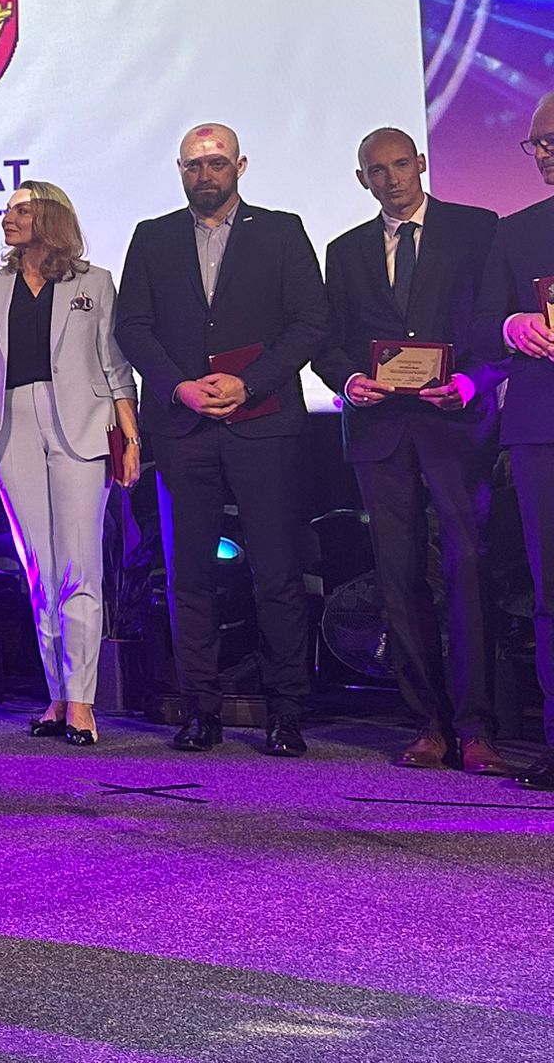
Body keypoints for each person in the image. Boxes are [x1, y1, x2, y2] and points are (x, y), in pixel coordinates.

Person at [115, 123, 330, 757]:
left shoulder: (282, 231)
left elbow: (311, 323)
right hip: (182, 428)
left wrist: (250, 381)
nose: (204, 174)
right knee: (188, 574)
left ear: (240, 165)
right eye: (192, 165)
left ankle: (286, 712)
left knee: (277, 573)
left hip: (263, 423)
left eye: (215, 163)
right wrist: (178, 387)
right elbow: (133, 327)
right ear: (180, 171)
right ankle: (200, 709)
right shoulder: (152, 236)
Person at [313, 130, 502, 772]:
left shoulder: (477, 229)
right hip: (379, 429)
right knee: (397, 576)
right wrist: (347, 380)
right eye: (378, 170)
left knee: (467, 566)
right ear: (361, 178)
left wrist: (473, 380)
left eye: (401, 165)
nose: (392, 179)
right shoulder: (345, 251)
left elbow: (495, 323)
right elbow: (326, 339)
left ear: (420, 164)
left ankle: (477, 727)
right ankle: (428, 725)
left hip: (455, 423)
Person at [0, 182, 139, 747]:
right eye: (7, 209)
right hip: (11, 425)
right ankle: (58, 695)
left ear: (50, 216)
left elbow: (115, 366)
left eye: (21, 209)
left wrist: (131, 435)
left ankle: (83, 701)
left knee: (78, 564)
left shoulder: (94, 282)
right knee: (40, 570)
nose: (8, 218)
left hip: (83, 424)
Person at [474, 90, 554, 790]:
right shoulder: (516, 231)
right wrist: (510, 326)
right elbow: (478, 327)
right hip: (540, 428)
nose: (544, 154)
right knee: (549, 587)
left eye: (553, 141)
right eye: (536, 144)